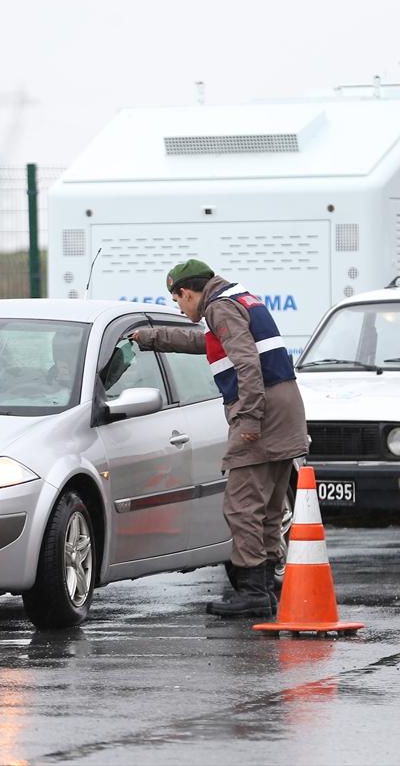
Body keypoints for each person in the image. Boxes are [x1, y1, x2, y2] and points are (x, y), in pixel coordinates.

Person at [129, 259, 307, 618]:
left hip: (263, 412)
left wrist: (248, 420)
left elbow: (246, 365)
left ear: (188, 291)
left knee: (241, 506)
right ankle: (268, 589)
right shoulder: (238, 299)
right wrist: (154, 338)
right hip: (286, 407)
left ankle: (254, 592)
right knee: (270, 507)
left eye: (177, 299)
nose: (179, 307)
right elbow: (208, 343)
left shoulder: (220, 307)